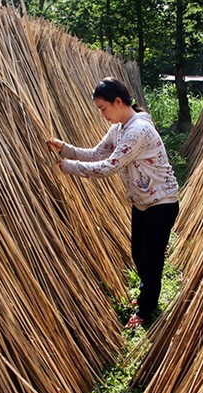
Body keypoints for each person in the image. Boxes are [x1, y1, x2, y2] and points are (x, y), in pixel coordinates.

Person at [47, 77, 179, 329]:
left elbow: (109, 166)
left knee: (150, 258)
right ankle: (145, 295)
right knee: (139, 255)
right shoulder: (119, 128)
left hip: (161, 202)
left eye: (103, 109)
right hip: (142, 201)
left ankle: (145, 309)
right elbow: (97, 154)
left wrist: (69, 167)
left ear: (118, 101)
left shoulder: (138, 130)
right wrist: (65, 149)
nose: (102, 115)